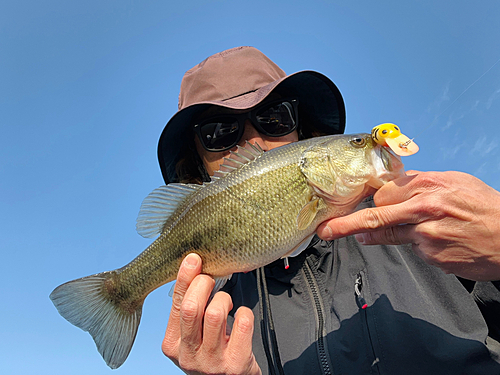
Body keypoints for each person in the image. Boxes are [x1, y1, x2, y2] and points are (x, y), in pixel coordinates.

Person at [158, 46, 500, 375]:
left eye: (274, 118)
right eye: (219, 133)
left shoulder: (420, 220)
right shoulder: (215, 322)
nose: (254, 143)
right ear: (198, 167)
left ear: (303, 133)